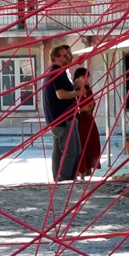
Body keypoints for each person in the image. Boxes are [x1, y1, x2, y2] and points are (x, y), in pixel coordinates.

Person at [43, 45, 82, 182]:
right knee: (71, 151)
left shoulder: (58, 72)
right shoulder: (57, 72)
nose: (69, 57)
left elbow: (63, 91)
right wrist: (78, 93)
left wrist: (75, 86)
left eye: (69, 54)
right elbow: (61, 94)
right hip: (63, 118)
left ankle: (60, 178)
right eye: (66, 55)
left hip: (60, 118)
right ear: (55, 57)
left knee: (61, 151)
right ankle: (65, 179)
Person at [73, 67, 101, 181]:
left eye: (87, 77)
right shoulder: (74, 91)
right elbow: (78, 106)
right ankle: (81, 172)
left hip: (89, 119)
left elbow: (91, 104)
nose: (86, 79)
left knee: (92, 143)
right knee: (82, 144)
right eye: (83, 77)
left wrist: (89, 107)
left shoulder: (88, 90)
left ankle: (89, 169)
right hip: (81, 120)